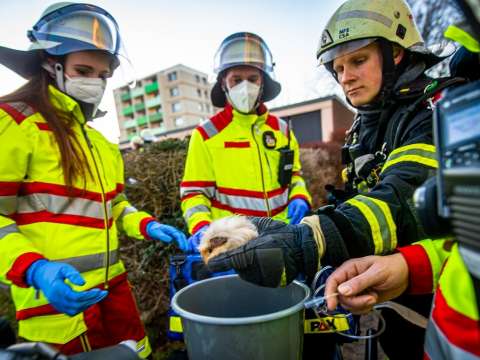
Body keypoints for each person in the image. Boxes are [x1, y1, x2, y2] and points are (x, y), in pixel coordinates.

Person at [207, 1, 464, 358]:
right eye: (338, 68)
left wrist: (311, 238)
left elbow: (402, 198)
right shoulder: (367, 124)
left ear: (396, 54)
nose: (345, 77)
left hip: (438, 291)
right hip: (389, 283)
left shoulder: (429, 110)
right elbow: (358, 194)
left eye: (358, 61)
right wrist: (320, 217)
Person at [0, 3, 187, 357]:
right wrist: (34, 269)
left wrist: (147, 226)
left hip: (114, 294)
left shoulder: (99, 143)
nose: (94, 83)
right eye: (83, 70)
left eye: (102, 75)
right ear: (49, 64)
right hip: (55, 305)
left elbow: (115, 206)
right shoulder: (13, 124)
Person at [180, 32, 312, 250]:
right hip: (233, 246)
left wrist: (300, 196)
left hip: (283, 238)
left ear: (263, 83)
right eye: (236, 79)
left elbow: (294, 176)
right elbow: (194, 193)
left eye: (252, 79)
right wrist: (202, 227)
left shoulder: (282, 131)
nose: (245, 86)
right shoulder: (206, 134)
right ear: (224, 83)